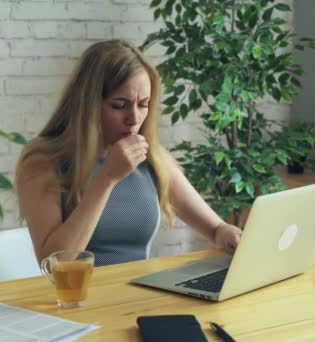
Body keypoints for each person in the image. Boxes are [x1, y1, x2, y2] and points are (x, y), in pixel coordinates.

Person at [15, 39, 242, 267]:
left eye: (143, 104)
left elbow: (216, 229)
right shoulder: (43, 160)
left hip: (141, 295)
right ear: (89, 105)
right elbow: (55, 265)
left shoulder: (151, 157)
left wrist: (227, 234)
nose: (134, 119)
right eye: (119, 105)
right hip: (76, 300)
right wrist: (107, 177)